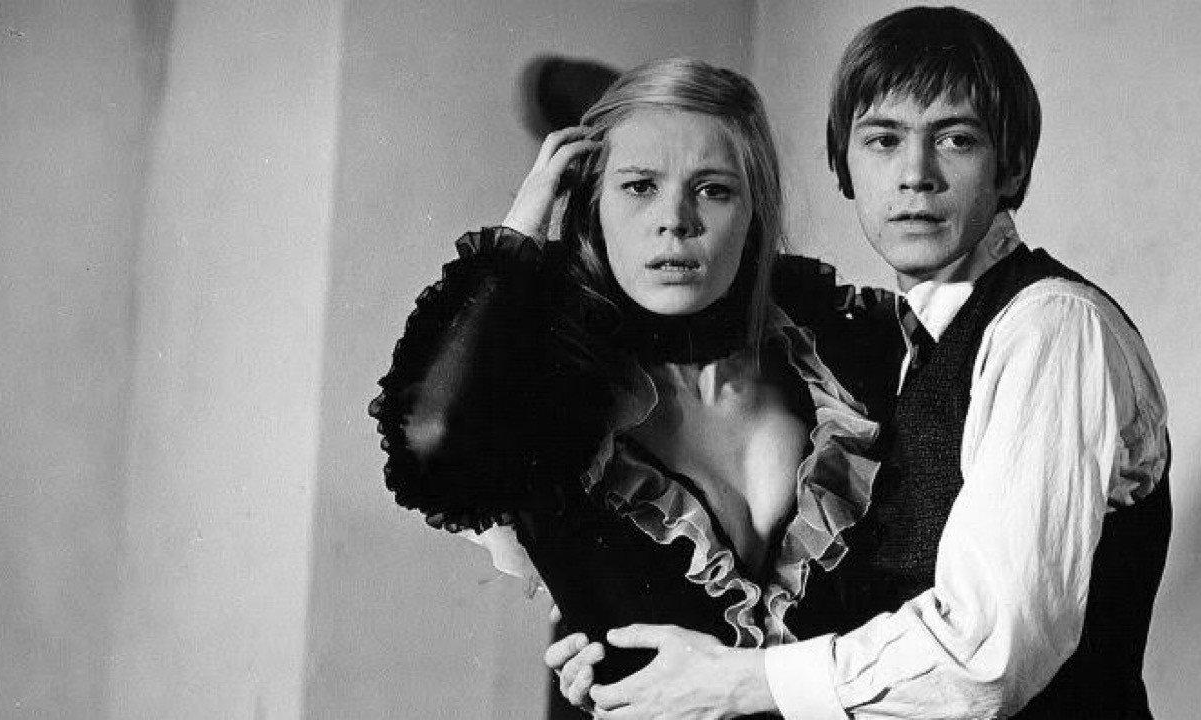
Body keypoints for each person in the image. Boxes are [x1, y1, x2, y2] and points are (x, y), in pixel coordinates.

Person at [548, 7, 1172, 719]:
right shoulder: (896, 351)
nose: (915, 175)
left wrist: (734, 682)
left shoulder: (1050, 328)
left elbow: (988, 656)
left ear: (1013, 165)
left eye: (956, 139)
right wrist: (629, 659)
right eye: (883, 140)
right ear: (843, 166)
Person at [369, 57, 902, 706]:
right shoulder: (548, 393)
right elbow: (431, 435)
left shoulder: (839, 359)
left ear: (754, 211)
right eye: (639, 187)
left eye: (713, 190)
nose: (674, 219)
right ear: (590, 204)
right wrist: (520, 231)